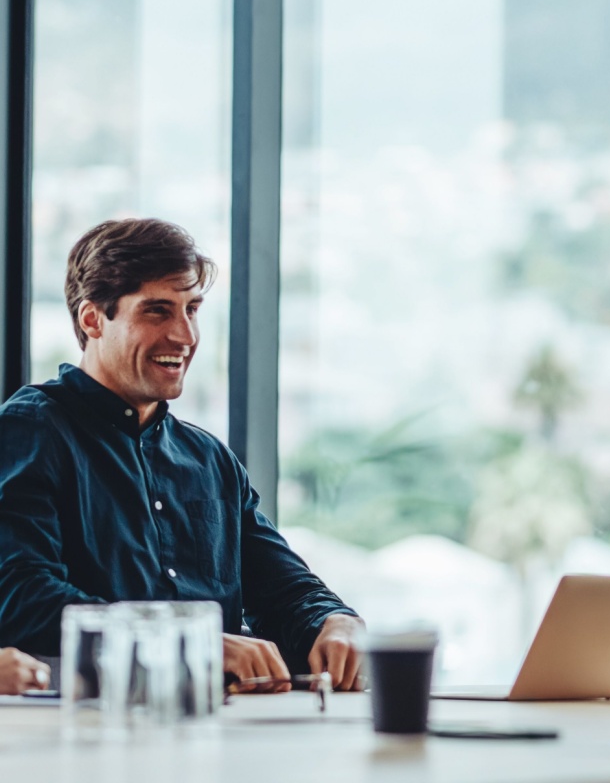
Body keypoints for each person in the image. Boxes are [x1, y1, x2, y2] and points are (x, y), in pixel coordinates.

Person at [0, 218, 363, 691]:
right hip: (81, 733)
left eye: (192, 309)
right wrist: (190, 641)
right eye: (157, 311)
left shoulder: (210, 459)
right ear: (93, 319)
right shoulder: (30, 429)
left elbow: (284, 590)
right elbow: (22, 598)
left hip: (221, 735)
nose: (185, 335)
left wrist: (335, 621)